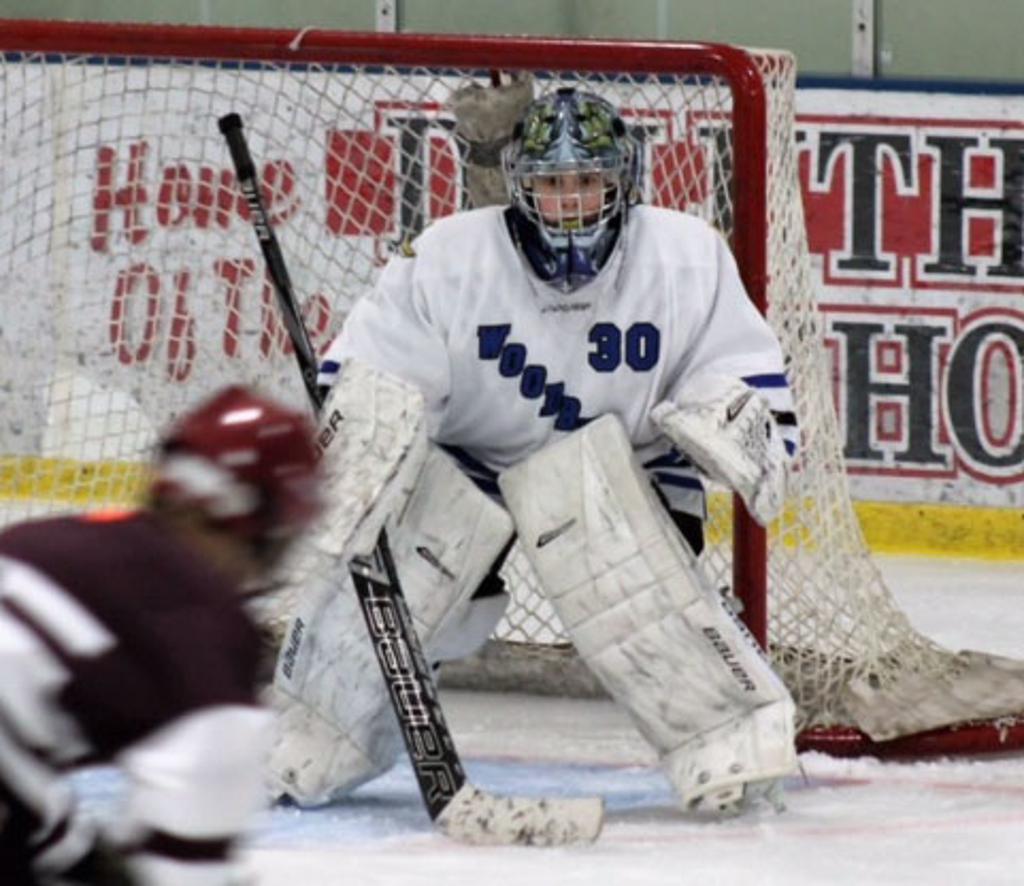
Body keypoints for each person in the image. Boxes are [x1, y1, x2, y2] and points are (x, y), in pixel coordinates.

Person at [267, 87, 800, 818]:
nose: (571, 200)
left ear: (622, 180)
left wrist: (730, 422)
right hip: (473, 461)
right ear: (522, 186)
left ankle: (730, 742)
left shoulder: (686, 257)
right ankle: (309, 739)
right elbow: (375, 370)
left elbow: (735, 368)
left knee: (613, 556)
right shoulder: (450, 257)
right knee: (410, 566)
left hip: (628, 466)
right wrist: (360, 446)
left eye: (588, 181)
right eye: (552, 184)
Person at [0, 386, 322, 885]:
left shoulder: (51, 541)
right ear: (261, 526)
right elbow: (181, 874)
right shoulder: (207, 631)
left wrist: (77, 855)